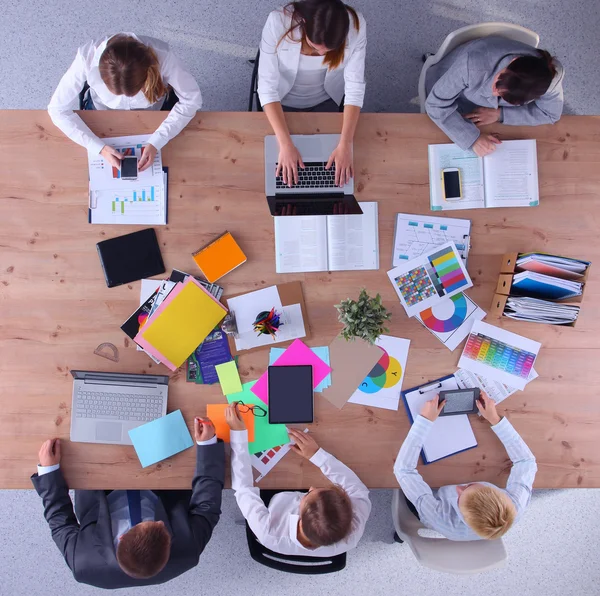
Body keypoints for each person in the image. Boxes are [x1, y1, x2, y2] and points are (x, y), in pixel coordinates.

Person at [31, 417, 224, 589]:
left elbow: (59, 519)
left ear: (121, 538)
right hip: (161, 478)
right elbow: (207, 506)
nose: (160, 521)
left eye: (153, 523)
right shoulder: (188, 550)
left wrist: (49, 470)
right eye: (161, 526)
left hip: (100, 484)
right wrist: (207, 445)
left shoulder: (82, 561)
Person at [225, 403, 371, 555]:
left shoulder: (268, 533)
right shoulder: (353, 531)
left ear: (300, 519)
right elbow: (357, 489)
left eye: (308, 494)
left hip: (275, 498)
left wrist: (238, 434)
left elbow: (243, 488)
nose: (311, 488)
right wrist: (316, 455)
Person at [48, 33, 202, 171]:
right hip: (101, 112)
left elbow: (192, 100)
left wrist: (158, 140)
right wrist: (98, 148)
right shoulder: (86, 57)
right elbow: (57, 109)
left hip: (154, 114)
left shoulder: (165, 57)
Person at [394, 392, 537, 540]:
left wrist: (424, 421)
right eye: (469, 486)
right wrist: (494, 419)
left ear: (461, 515)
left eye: (460, 497)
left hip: (431, 503)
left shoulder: (439, 517)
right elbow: (526, 461)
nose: (458, 487)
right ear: (499, 493)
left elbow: (403, 470)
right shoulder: (514, 505)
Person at [258, 0, 367, 187]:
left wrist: (345, 145)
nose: (322, 52)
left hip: (326, 99)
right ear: (305, 24)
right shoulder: (278, 22)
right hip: (281, 100)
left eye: (329, 49)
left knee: (329, 172)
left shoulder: (356, 26)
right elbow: (267, 88)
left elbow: (354, 88)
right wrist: (285, 144)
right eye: (316, 46)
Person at [425, 36, 564, 156]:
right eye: (498, 83)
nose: (494, 92)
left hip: (479, 113)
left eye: (503, 96)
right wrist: (472, 140)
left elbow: (550, 114)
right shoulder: (472, 66)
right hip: (450, 90)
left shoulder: (550, 77)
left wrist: (500, 114)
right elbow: (435, 103)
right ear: (512, 61)